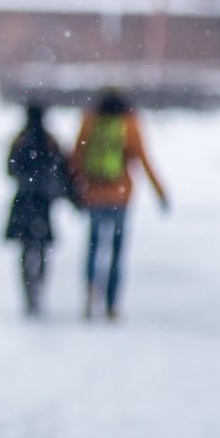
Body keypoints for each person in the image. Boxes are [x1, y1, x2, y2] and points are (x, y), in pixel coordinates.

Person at [70, 88, 167, 321]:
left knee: (93, 247)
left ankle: (90, 290)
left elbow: (77, 157)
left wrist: (75, 187)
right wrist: (160, 192)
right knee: (117, 250)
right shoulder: (129, 124)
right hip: (121, 196)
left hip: (93, 195)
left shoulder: (89, 121)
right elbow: (144, 159)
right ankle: (112, 304)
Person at [4, 102, 73, 316]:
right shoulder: (50, 141)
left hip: (23, 200)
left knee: (26, 251)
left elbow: (9, 169)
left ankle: (29, 294)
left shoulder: (19, 139)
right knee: (42, 250)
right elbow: (62, 169)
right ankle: (39, 290)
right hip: (43, 202)